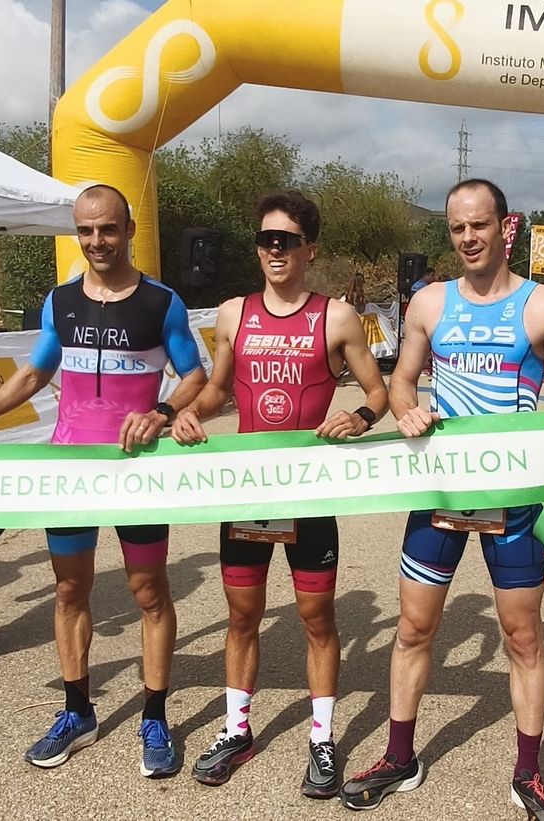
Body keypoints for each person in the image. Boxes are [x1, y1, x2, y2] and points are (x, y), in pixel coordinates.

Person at [339, 179, 544, 820]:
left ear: (505, 227)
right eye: (458, 228)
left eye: (479, 226)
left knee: (522, 636)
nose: (468, 238)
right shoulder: (429, 304)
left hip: (513, 500)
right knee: (414, 628)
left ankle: (527, 773)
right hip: (441, 490)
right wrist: (405, 412)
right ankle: (400, 756)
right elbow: (402, 382)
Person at [0, 184, 209, 771]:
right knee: (69, 590)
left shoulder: (161, 302)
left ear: (128, 230)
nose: (97, 241)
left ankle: (155, 715)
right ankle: (78, 710)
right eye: (85, 230)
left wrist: (163, 412)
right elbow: (33, 375)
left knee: (149, 593)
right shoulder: (60, 300)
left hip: (135, 470)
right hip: (70, 468)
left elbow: (194, 375)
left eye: (108, 229)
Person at [171, 191, 389, 797]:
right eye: (266, 239)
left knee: (316, 618)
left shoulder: (336, 317)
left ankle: (321, 738)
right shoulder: (234, 313)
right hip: (248, 490)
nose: (274, 250)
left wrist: (360, 419)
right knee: (242, 614)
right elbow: (216, 390)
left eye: (286, 240)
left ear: (308, 249)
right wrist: (187, 414)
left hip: (309, 492)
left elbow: (378, 391)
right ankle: (236, 729)